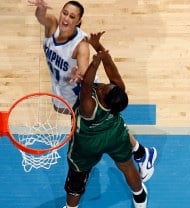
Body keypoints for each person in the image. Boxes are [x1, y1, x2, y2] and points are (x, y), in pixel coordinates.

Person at [28, 0, 157, 182]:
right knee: (98, 124)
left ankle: (142, 153)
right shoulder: (53, 26)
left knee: (106, 126)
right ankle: (142, 152)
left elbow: (83, 64)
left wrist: (78, 73)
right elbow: (41, 17)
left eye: (72, 16)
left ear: (79, 21)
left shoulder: (80, 45)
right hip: (62, 90)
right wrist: (40, 8)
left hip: (84, 93)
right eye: (65, 13)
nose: (66, 18)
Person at [63, 32, 150, 208]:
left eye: (103, 90)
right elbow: (112, 69)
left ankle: (71, 207)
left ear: (102, 98)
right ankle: (140, 197)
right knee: (127, 166)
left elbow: (86, 86)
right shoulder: (117, 93)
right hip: (115, 135)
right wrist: (99, 48)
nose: (102, 86)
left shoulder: (89, 107)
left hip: (88, 143)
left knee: (77, 176)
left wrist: (95, 63)